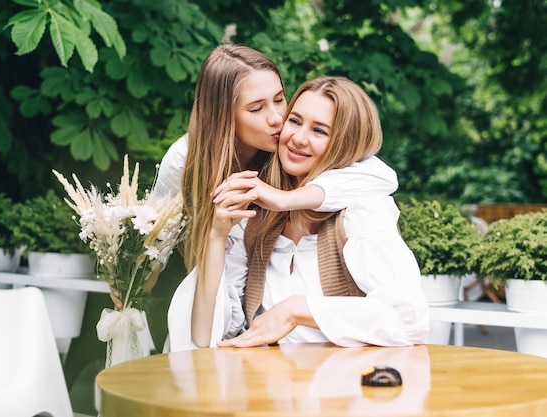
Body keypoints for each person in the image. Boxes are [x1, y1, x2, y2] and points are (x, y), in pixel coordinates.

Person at [109, 44, 399, 309]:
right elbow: (157, 238)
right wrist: (131, 286)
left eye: (279, 99)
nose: (277, 118)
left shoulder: (291, 148)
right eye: (257, 108)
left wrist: (284, 199)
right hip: (199, 282)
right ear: (223, 116)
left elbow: (381, 177)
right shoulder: (186, 160)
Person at [167, 76, 429, 351]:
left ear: (345, 145)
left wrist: (297, 310)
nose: (298, 138)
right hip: (268, 386)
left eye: (319, 131)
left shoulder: (362, 211)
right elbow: (205, 336)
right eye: (294, 121)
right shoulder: (257, 217)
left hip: (348, 385)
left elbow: (409, 321)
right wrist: (217, 236)